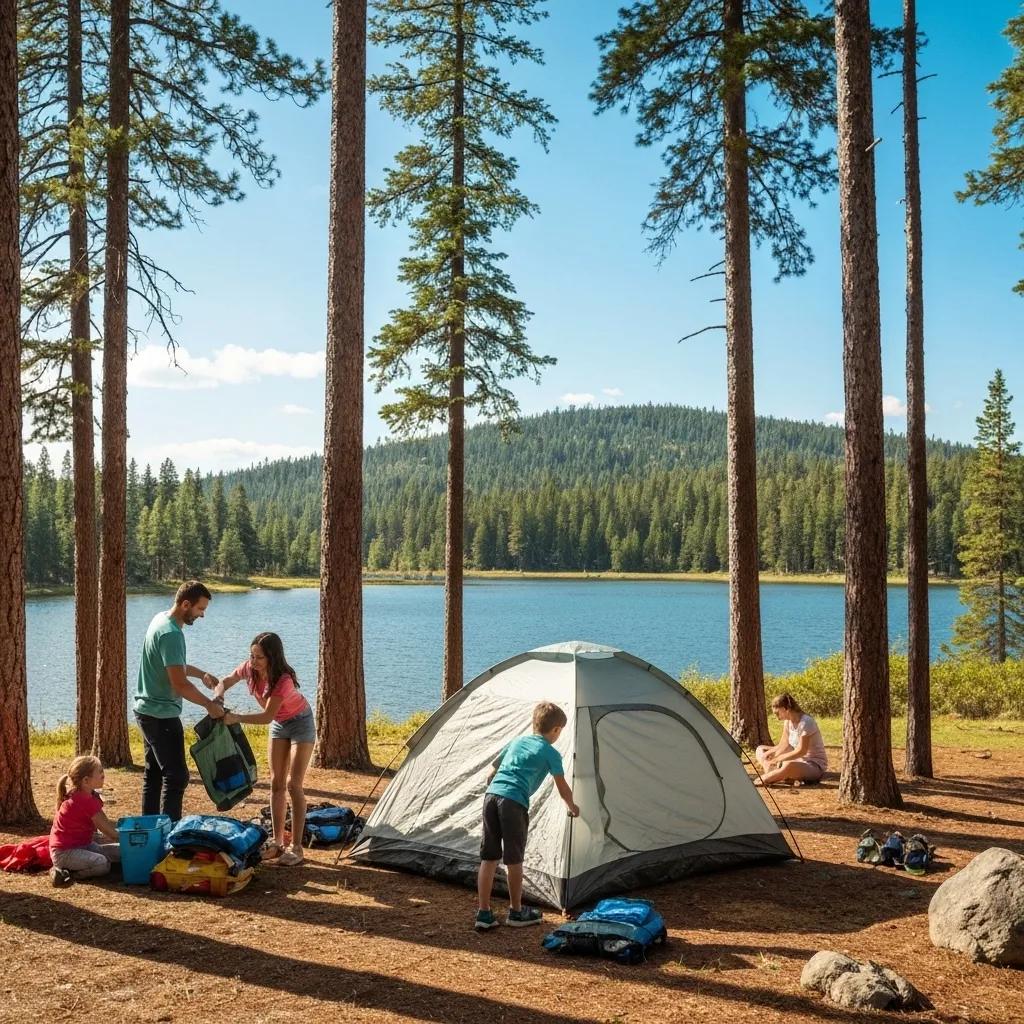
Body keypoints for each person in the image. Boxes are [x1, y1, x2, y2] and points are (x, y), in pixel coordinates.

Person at [475, 701, 579, 932]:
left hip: (490, 798)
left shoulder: (517, 741)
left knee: (489, 857)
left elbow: (491, 774)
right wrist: (572, 805)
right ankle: (516, 911)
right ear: (556, 730)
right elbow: (561, 786)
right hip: (514, 803)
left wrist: (499, 789)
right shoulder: (551, 752)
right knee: (514, 860)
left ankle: (484, 913)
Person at [213, 632, 315, 867]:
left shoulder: (283, 680)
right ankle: (278, 843)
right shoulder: (249, 669)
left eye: (259, 657)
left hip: (300, 722)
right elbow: (225, 681)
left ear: (272, 657)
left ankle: (296, 847)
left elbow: (267, 716)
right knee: (276, 783)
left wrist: (235, 717)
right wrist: (218, 698)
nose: (254, 661)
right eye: (252, 655)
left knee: (293, 784)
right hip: (280, 725)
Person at [134, 580, 225, 821]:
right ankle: (169, 834)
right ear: (186, 604)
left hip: (146, 710)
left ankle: (150, 828)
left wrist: (201, 673)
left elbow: (172, 666)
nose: (202, 615)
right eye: (200, 609)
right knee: (176, 776)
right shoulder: (172, 634)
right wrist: (210, 705)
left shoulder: (161, 619)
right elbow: (180, 684)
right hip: (161, 715)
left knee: (153, 774)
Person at [49, 755, 121, 887]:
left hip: (83, 844)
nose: (103, 774)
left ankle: (72, 868)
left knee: (120, 853)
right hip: (65, 853)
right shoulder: (83, 800)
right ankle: (68, 874)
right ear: (86, 780)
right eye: (99, 772)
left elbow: (104, 822)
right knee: (102, 863)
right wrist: (130, 838)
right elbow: (108, 831)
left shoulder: (88, 795)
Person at [754, 692, 828, 787]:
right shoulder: (788, 722)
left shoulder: (806, 722)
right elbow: (783, 745)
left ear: (786, 709)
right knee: (761, 749)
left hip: (813, 765)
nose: (777, 717)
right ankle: (779, 773)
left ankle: (767, 777)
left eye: (777, 713)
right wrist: (768, 755)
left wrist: (777, 759)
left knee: (788, 765)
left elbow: (801, 751)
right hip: (797, 760)